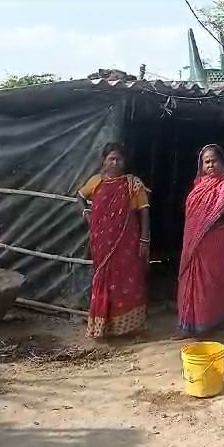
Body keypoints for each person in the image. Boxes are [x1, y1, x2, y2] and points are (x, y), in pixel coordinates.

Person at [77, 142, 151, 339]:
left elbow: (144, 211)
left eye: (119, 159)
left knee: (129, 280)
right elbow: (80, 196)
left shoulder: (132, 183)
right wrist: (86, 212)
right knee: (104, 279)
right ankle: (104, 328)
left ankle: (130, 328)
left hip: (127, 241)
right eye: (111, 158)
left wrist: (145, 239)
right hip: (102, 242)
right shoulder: (96, 181)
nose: (115, 162)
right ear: (104, 161)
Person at [176, 144, 224, 338]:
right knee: (189, 282)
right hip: (193, 244)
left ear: (222, 162)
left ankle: (209, 325)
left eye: (214, 160)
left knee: (212, 282)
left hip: (217, 241)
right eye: (206, 161)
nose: (210, 164)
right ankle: (189, 325)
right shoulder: (198, 186)